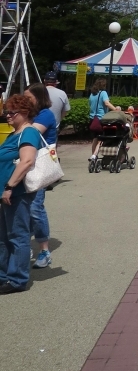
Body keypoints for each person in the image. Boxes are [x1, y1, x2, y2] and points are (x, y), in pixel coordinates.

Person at [0, 93, 43, 293]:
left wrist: (9, 187)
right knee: (3, 236)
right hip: (6, 193)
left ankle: (17, 279)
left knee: (17, 235)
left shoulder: (28, 133)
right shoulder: (15, 133)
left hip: (16, 193)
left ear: (24, 113)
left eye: (12, 112)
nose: (7, 116)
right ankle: (3, 275)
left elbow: (27, 161)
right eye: (6, 112)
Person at [26, 84, 58, 269]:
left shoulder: (45, 114)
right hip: (24, 165)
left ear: (38, 98)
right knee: (23, 208)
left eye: (28, 97)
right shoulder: (29, 116)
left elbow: (31, 132)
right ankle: (25, 247)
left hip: (39, 166)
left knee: (35, 208)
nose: (26, 100)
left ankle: (44, 250)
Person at [88, 78, 116, 161]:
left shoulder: (92, 94)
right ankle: (94, 155)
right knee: (101, 139)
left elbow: (90, 104)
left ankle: (93, 155)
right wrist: (116, 110)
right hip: (101, 119)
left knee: (95, 138)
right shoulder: (103, 93)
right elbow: (106, 103)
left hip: (92, 119)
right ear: (103, 85)